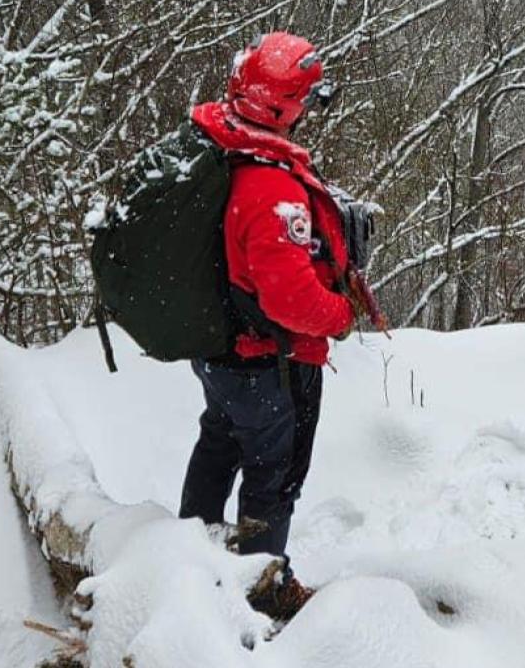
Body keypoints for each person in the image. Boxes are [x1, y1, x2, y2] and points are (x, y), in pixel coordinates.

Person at [177, 31, 374, 621]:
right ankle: (259, 589)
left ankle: (191, 561)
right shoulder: (269, 188)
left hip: (223, 352)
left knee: (219, 442)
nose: (310, 110)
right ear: (281, 106)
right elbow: (289, 299)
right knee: (274, 474)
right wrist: (338, 316)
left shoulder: (225, 148)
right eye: (305, 99)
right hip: (267, 361)